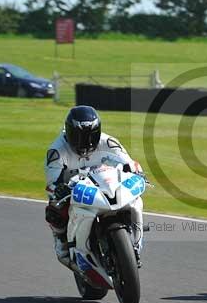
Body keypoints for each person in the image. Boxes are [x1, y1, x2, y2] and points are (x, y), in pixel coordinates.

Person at [44, 105, 144, 270]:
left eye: (91, 136)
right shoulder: (57, 150)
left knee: (135, 199)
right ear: (69, 132)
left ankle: (134, 240)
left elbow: (128, 162)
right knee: (54, 209)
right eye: (79, 137)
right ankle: (62, 244)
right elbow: (52, 181)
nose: (87, 142)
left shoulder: (108, 142)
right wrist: (58, 188)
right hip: (74, 189)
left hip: (104, 185)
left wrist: (137, 171)